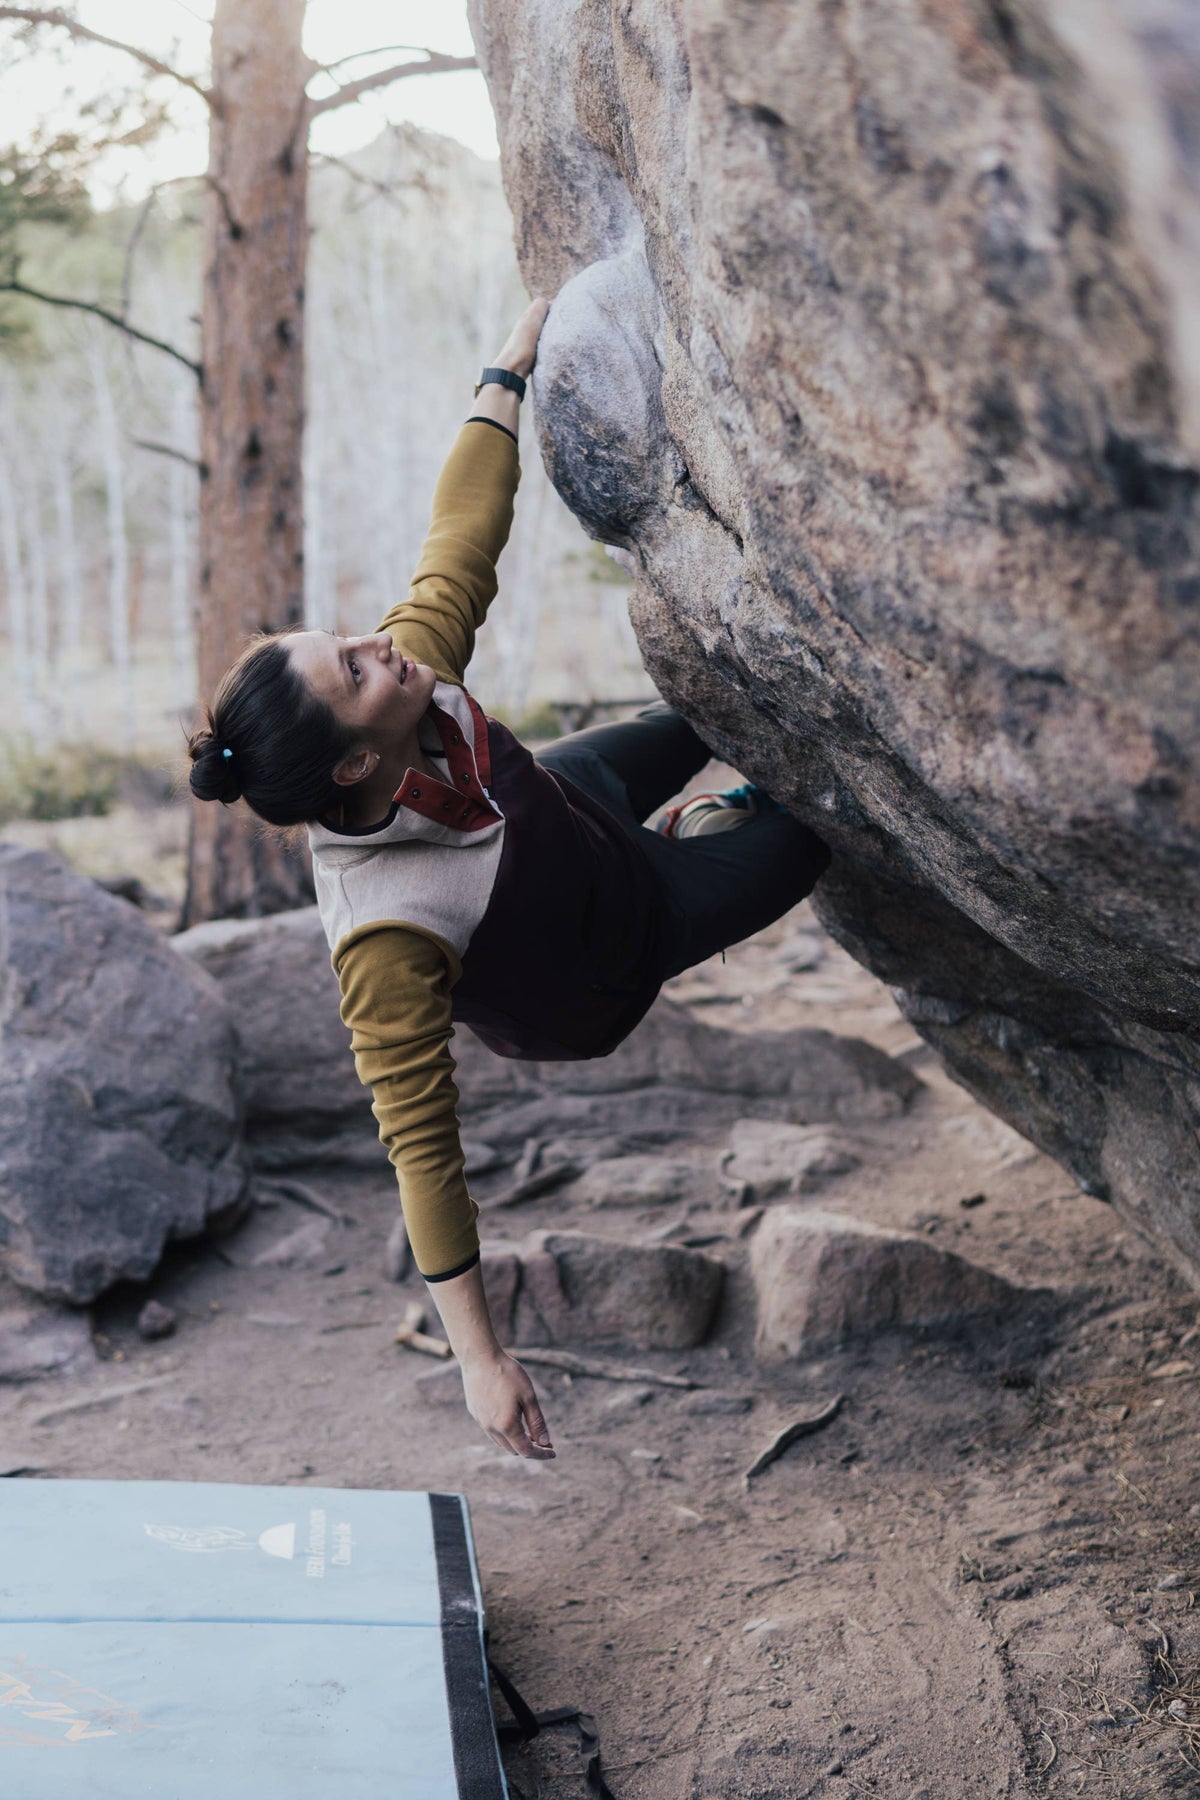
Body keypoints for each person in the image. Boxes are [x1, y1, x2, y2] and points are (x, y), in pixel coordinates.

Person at [188, 298, 829, 1463]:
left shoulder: (410, 681)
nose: (379, 643)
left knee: (707, 700)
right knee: (810, 828)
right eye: (353, 662)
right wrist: (481, 1359)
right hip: (601, 954)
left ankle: (690, 799)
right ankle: (721, 826)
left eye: (352, 636)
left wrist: (503, 375)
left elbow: (460, 538)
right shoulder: (384, 935)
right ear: (350, 763)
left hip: (560, 808)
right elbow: (421, 1150)